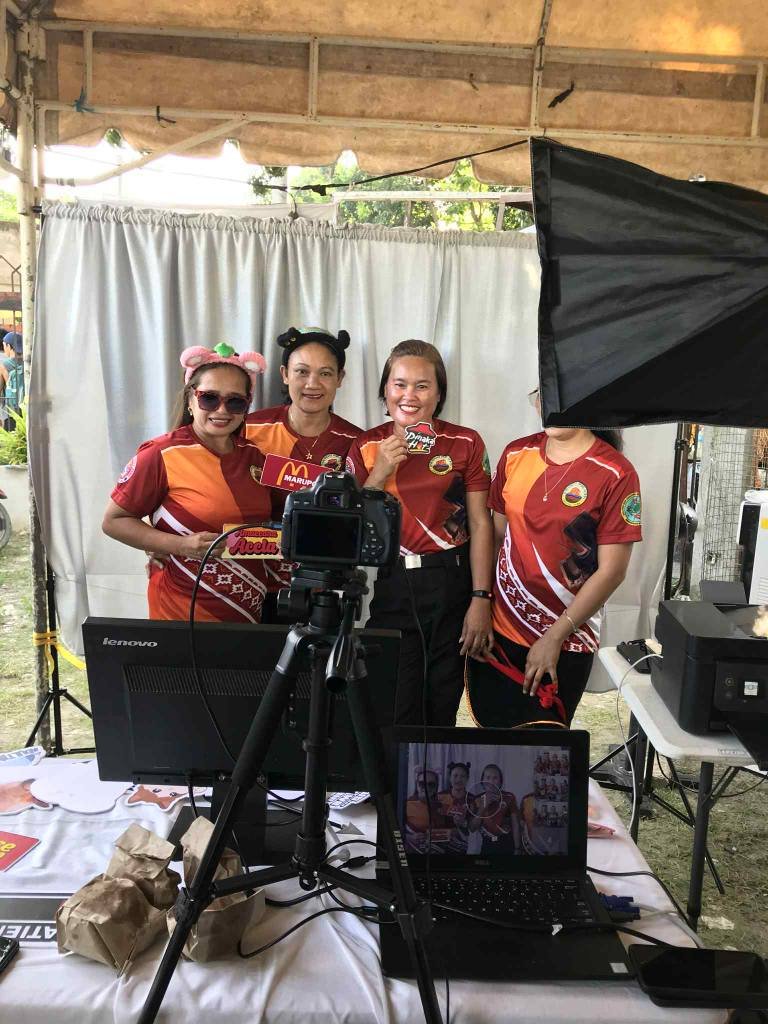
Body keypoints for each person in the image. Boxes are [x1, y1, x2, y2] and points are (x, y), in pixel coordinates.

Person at [473, 387, 643, 726]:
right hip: (501, 629)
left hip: (567, 640)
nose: (552, 406)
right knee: (491, 740)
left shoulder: (616, 473)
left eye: (564, 395)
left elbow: (612, 572)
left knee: (545, 748)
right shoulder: (516, 453)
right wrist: (480, 602)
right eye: (545, 395)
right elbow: (496, 536)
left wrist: (554, 637)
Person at [346, 339, 493, 726]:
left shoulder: (466, 442)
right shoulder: (365, 445)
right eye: (399, 384)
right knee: (394, 699)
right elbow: (353, 528)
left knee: (442, 700)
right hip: (394, 581)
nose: (409, 395)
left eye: (422, 386)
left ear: (439, 393)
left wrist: (481, 597)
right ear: (385, 389)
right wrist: (379, 473)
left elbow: (481, 524)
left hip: (453, 580)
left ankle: (434, 768)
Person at [102, 342, 273, 622]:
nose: (222, 410)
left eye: (235, 401)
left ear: (246, 406)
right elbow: (114, 521)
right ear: (190, 399)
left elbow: (271, 525)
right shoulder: (160, 454)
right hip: (181, 610)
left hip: (248, 612)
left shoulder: (256, 456)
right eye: (209, 398)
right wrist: (177, 545)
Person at [245, 326, 362, 620]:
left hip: (322, 588)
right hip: (250, 577)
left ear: (340, 379)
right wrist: (165, 538)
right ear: (285, 374)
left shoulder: (356, 442)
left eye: (325, 373)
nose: (313, 383)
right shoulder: (249, 429)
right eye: (302, 371)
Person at [467, 763, 521, 855]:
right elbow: (472, 828)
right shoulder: (476, 799)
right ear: (482, 781)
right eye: (488, 778)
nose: (491, 781)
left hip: (507, 845)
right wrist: (483, 807)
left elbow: (515, 825)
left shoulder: (509, 797)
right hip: (487, 845)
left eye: (495, 778)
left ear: (500, 782)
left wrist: (517, 848)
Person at [436, 761, 472, 853]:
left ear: (467, 778)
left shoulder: (472, 799)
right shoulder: (439, 797)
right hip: (438, 845)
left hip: (461, 847)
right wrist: (449, 832)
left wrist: (463, 823)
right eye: (455, 775)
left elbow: (472, 829)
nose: (458, 779)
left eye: (462, 776)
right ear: (449, 777)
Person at [0, 332, 23, 429]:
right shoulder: (29, 363)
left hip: (12, 415)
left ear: (9, 346)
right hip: (29, 413)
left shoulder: (3, 366)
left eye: (4, 345)